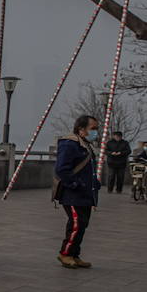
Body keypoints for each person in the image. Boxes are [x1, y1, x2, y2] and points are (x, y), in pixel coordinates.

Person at [55, 114, 102, 268]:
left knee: (82, 225)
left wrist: (94, 183)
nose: (96, 132)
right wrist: (76, 184)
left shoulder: (86, 145)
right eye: (93, 128)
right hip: (73, 194)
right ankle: (65, 254)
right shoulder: (70, 144)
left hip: (85, 194)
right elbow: (62, 169)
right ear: (81, 129)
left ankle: (74, 254)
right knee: (76, 224)